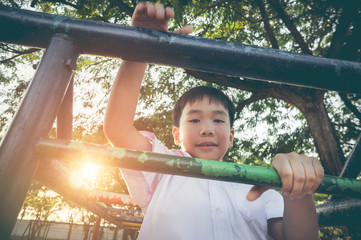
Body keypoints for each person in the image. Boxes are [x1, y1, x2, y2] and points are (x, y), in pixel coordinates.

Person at [104, 2, 324, 239]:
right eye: (194, 120)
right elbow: (118, 129)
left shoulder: (258, 184)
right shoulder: (162, 168)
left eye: (218, 121)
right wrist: (140, 47)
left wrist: (299, 192)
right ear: (176, 134)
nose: (207, 129)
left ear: (231, 137)